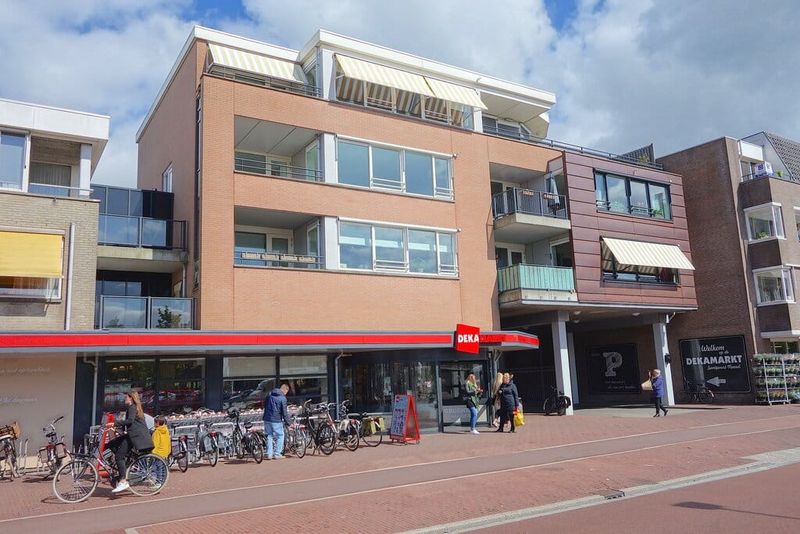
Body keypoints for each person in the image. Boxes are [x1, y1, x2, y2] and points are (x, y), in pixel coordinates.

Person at [108, 391, 154, 494]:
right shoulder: (132, 408)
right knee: (111, 444)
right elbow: (130, 424)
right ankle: (124, 466)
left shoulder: (132, 407)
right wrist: (118, 429)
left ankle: (123, 481)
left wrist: (115, 423)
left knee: (119, 456)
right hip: (132, 435)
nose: (124, 399)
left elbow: (130, 420)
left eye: (126, 397)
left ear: (131, 398)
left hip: (135, 437)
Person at [263, 382, 290, 459]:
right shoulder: (283, 398)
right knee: (280, 435)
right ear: (285, 390)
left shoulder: (269, 394)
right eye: (286, 392)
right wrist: (288, 422)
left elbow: (265, 405)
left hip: (267, 418)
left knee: (269, 435)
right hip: (276, 419)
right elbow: (284, 412)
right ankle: (277, 453)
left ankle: (269, 454)